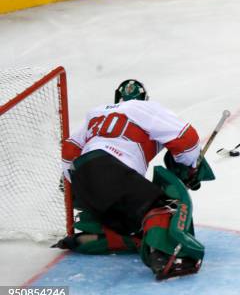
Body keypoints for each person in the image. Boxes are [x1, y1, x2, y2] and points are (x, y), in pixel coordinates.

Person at [54, 79, 215, 280]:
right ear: (143, 99)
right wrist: (191, 168)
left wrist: (76, 188)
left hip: (83, 173)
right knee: (165, 207)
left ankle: (98, 236)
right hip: (110, 169)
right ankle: (164, 256)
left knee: (131, 217)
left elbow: (69, 150)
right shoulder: (144, 108)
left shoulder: (96, 112)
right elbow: (186, 139)